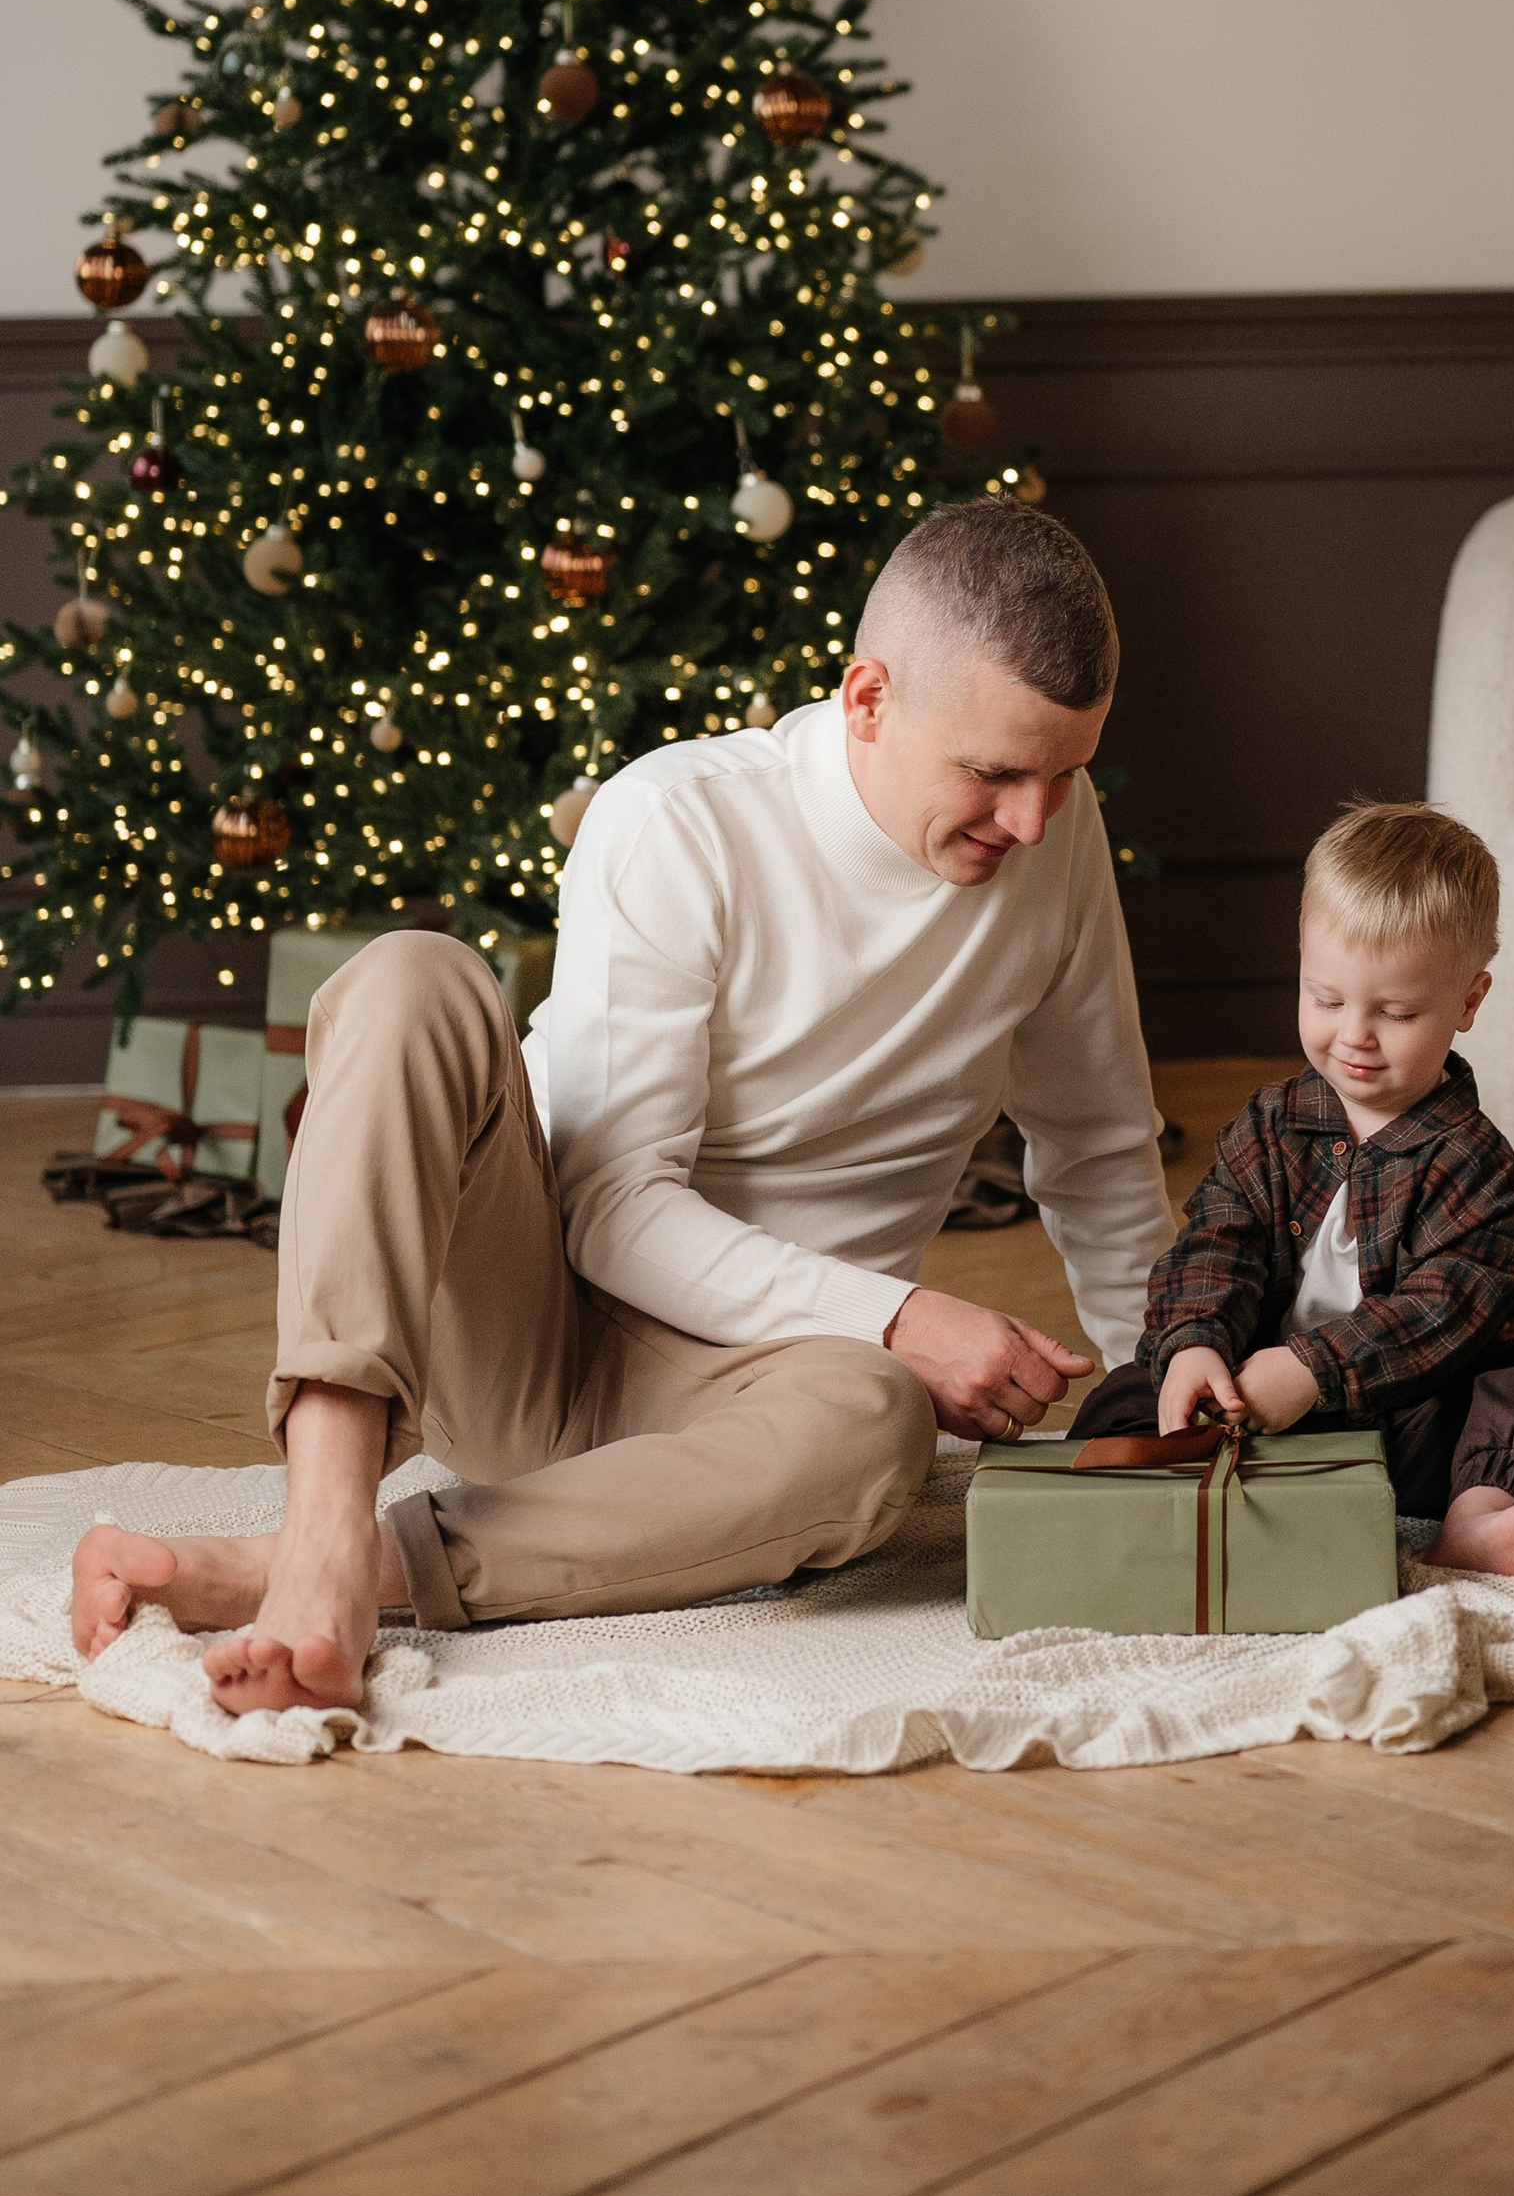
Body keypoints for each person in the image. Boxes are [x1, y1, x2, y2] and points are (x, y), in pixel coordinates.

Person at [70, 501, 1173, 1712]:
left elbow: (1101, 1148)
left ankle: (319, 1574)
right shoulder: (683, 817)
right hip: (528, 1325)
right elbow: (608, 1208)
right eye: (994, 772)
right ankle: (326, 1521)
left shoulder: (1055, 844)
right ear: (866, 697)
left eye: (1066, 773)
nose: (1032, 819)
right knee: (411, 978)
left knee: (876, 1424)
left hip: (770, 1390)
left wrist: (1165, 1394)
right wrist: (904, 1313)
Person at [1073, 804, 1514, 1578]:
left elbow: (1442, 1310)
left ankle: (1475, 1521)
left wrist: (1312, 1371)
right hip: (1256, 1408)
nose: (1354, 1034)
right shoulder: (1270, 1124)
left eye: (1395, 1012)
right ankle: (1209, 1502)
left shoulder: (1478, 1164)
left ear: (1468, 1001)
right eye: (1326, 999)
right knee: (1128, 1391)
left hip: (1415, 1428)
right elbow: (1215, 1241)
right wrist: (1197, 1342)